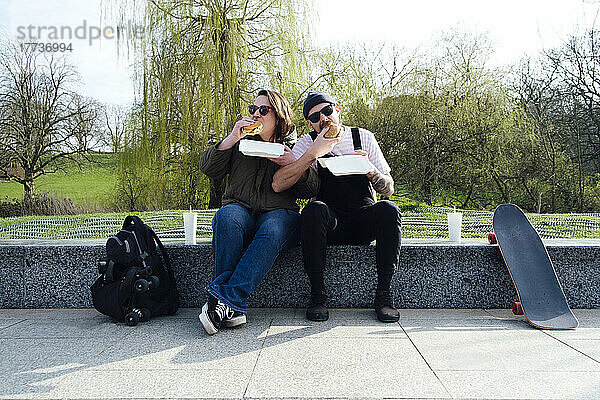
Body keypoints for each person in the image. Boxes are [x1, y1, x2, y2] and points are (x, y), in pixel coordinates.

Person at [272, 91, 402, 323]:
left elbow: (389, 189)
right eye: (314, 117)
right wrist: (312, 154)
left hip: (363, 219)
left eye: (327, 111)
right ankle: (318, 294)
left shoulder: (362, 137)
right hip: (329, 223)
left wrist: (369, 169)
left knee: (389, 209)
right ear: (310, 123)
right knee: (313, 210)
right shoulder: (308, 142)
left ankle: (384, 293)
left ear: (337, 110)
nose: (323, 118)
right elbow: (279, 182)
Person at [198, 89, 319, 335]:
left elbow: (311, 188)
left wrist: (294, 165)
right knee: (226, 218)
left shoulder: (293, 147)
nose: (256, 115)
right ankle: (232, 306)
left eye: (263, 110)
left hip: (280, 211)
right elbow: (209, 169)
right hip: (240, 206)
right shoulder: (241, 143)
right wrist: (231, 138)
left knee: (272, 230)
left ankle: (221, 300)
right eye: (253, 109)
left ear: (279, 115)